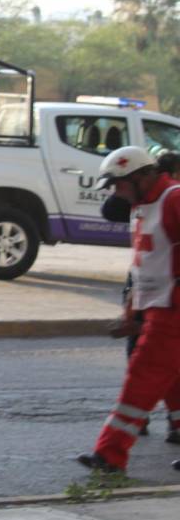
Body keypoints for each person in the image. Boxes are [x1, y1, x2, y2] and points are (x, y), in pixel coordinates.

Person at [79, 146, 180, 472]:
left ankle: (110, 454)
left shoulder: (173, 199)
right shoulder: (142, 207)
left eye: (118, 184)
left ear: (140, 177)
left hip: (172, 311)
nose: (115, 193)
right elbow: (143, 268)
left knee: (142, 378)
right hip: (158, 308)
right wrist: (131, 315)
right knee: (171, 379)